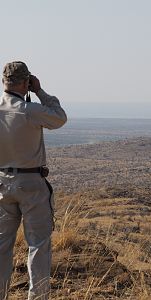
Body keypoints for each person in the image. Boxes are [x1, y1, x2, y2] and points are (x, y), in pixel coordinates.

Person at [0, 61, 67, 300]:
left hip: (2, 184)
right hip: (31, 184)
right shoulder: (30, 110)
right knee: (38, 246)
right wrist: (40, 91)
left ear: (3, 81)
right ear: (25, 82)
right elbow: (60, 117)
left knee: (1, 248)